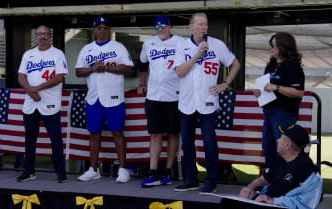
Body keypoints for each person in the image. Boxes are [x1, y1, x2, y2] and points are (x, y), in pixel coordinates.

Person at [173, 12, 240, 195]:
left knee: (209, 141)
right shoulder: (182, 46)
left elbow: (235, 64)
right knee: (187, 142)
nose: (204, 28)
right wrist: (197, 54)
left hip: (208, 102)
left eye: (206, 25)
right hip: (186, 102)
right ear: (191, 27)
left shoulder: (217, 44)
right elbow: (179, 72)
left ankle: (211, 180)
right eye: (200, 24)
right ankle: (191, 179)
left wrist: (225, 84)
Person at [75, 17, 134, 183]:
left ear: (109, 30)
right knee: (94, 133)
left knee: (117, 132)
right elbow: (78, 71)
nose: (102, 30)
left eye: (105, 27)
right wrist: (93, 68)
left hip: (114, 96)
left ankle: (123, 169)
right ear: (94, 30)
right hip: (94, 97)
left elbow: (128, 66)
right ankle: (93, 169)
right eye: (99, 27)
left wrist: (106, 67)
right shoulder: (87, 49)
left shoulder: (118, 47)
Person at [17, 25, 68, 183]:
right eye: (39, 34)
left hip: (50, 104)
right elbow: (21, 76)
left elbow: (60, 77)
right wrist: (30, 91)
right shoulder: (28, 54)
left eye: (45, 34)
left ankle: (60, 172)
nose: (42, 37)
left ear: (50, 36)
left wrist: (37, 88)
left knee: (55, 139)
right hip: (31, 104)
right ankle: (29, 171)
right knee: (30, 139)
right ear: (36, 36)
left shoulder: (58, 54)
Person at [138, 15, 183, 187]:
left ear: (169, 26)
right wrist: (142, 83)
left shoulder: (181, 42)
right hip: (154, 96)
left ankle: (168, 171)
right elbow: (142, 64)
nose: (160, 29)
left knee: (173, 134)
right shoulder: (149, 43)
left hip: (175, 95)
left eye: (163, 26)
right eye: (157, 27)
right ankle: (153, 172)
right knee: (155, 134)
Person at [234, 124, 322, 209]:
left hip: (280, 205)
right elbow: (263, 179)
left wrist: (273, 201)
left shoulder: (306, 168)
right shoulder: (280, 159)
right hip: (264, 202)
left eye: (281, 138)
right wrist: (250, 187)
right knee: (227, 203)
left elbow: (305, 203)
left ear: (288, 145)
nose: (277, 140)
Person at [254, 32, 305, 170]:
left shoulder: (293, 66)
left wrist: (277, 87)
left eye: (273, 45)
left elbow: (299, 92)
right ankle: (273, 180)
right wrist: (259, 92)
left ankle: (286, 180)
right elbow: (266, 88)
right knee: (268, 147)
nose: (271, 48)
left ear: (283, 46)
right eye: (270, 45)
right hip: (269, 112)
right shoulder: (270, 66)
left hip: (284, 113)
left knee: (283, 149)